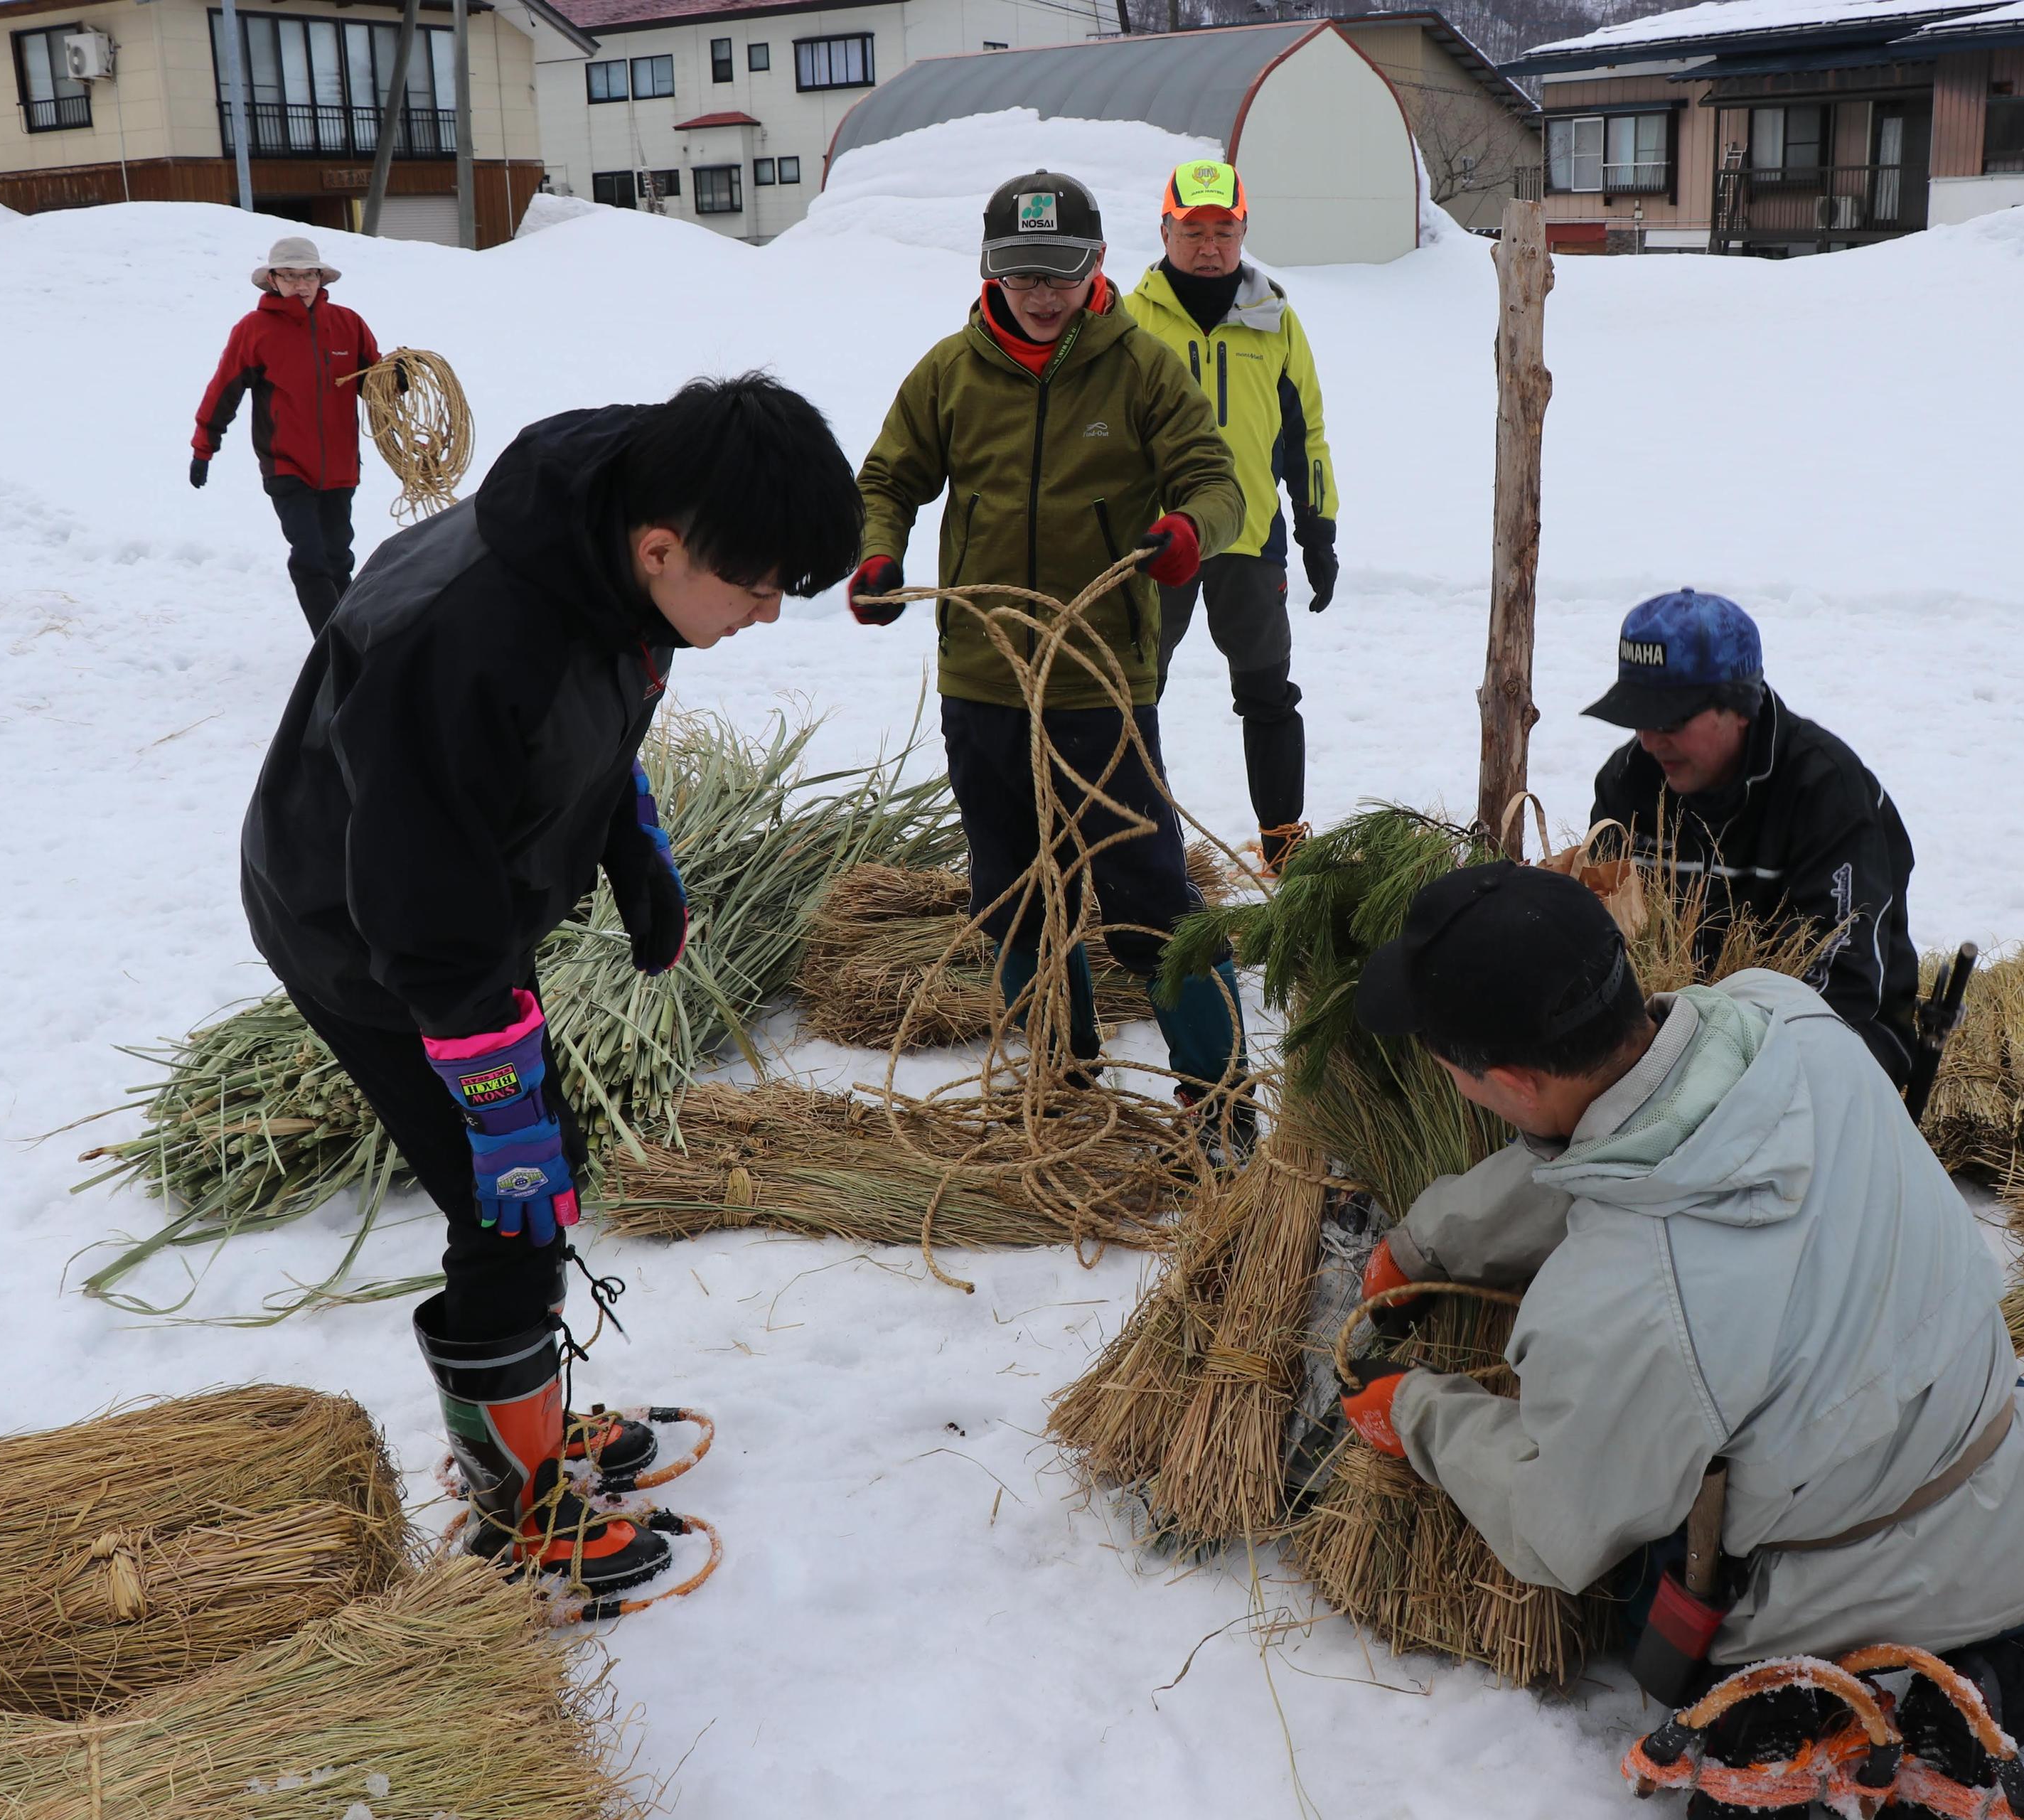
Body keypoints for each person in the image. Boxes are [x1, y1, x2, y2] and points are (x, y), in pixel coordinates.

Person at [1335, 864, 2024, 1806]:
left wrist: (1422, 1412)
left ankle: (1812, 1715)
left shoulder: (1623, 1304)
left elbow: (1554, 1527)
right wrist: (1430, 1242)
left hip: (1830, 1577)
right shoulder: (1778, 1018)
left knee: (1654, 1590)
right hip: (2005, 1480)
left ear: (1510, 1078)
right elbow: (1609, 1151)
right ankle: (2005, 1679)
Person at [240, 373, 862, 1597]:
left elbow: (592, 721)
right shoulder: (469, 634)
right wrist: (493, 1092)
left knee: (536, 1180)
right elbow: (420, 901)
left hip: (465, 887)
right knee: (510, 1201)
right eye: (758, 589)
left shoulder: (615, 536)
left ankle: (526, 1426)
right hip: (367, 932)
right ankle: (514, 1511)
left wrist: (633, 847)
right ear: (663, 548)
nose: (766, 615)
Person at [850, 171, 1252, 1132]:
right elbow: (889, 476)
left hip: (1100, 679)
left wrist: (1191, 528)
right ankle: (1061, 1070)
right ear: (991, 270)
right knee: (1012, 885)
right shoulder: (949, 372)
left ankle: (1221, 1088)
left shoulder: (1144, 367)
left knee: (1144, 890)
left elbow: (1214, 477)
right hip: (982, 680)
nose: (1040, 293)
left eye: (1060, 271)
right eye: (1020, 271)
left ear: (1099, 264)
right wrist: (877, 551)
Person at [1583, 588, 1919, 1086]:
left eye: (1670, 719)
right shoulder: (1627, 779)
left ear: (1740, 706)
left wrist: (1700, 1059)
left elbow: (1841, 986)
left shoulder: (1828, 791)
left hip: (1830, 1044)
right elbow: (1599, 929)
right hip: (1663, 1037)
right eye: (1637, 716)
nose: (1650, 741)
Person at [1123, 159, 1339, 879]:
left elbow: (1306, 431)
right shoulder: (1129, 317)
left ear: (1243, 230)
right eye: (1193, 230)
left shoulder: (1274, 316)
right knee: (1132, 690)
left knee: (1267, 691)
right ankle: (1128, 838)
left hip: (1249, 539)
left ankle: (1282, 839)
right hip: (1158, 541)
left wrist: (1318, 529)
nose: (1209, 245)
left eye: (1223, 229)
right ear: (1165, 230)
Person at [193, 235, 385, 636]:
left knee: (337, 558)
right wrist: (204, 447)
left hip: (341, 465)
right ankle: (330, 648)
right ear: (273, 280)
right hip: (286, 463)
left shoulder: (347, 324)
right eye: (291, 276)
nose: (301, 284)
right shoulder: (255, 330)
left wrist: (397, 380)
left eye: (309, 275)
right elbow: (223, 390)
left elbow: (374, 384)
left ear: (321, 278)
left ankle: (348, 637)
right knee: (310, 557)